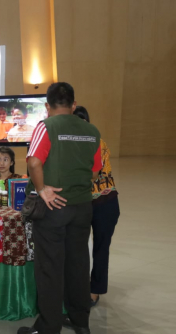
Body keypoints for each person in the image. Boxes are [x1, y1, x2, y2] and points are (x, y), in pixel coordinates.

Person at [18, 83, 102, 334]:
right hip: (83, 207)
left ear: (47, 106)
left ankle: (49, 326)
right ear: (73, 105)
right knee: (77, 265)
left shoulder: (46, 127)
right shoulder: (92, 131)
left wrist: (43, 189)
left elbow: (33, 161)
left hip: (53, 208)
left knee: (50, 269)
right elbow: (95, 171)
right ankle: (80, 322)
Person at [73, 106, 120, 308]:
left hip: (105, 203)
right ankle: (76, 286)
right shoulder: (70, 146)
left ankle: (95, 291)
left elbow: (91, 173)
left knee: (101, 248)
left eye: (84, 122)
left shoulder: (97, 142)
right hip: (81, 202)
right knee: (77, 248)